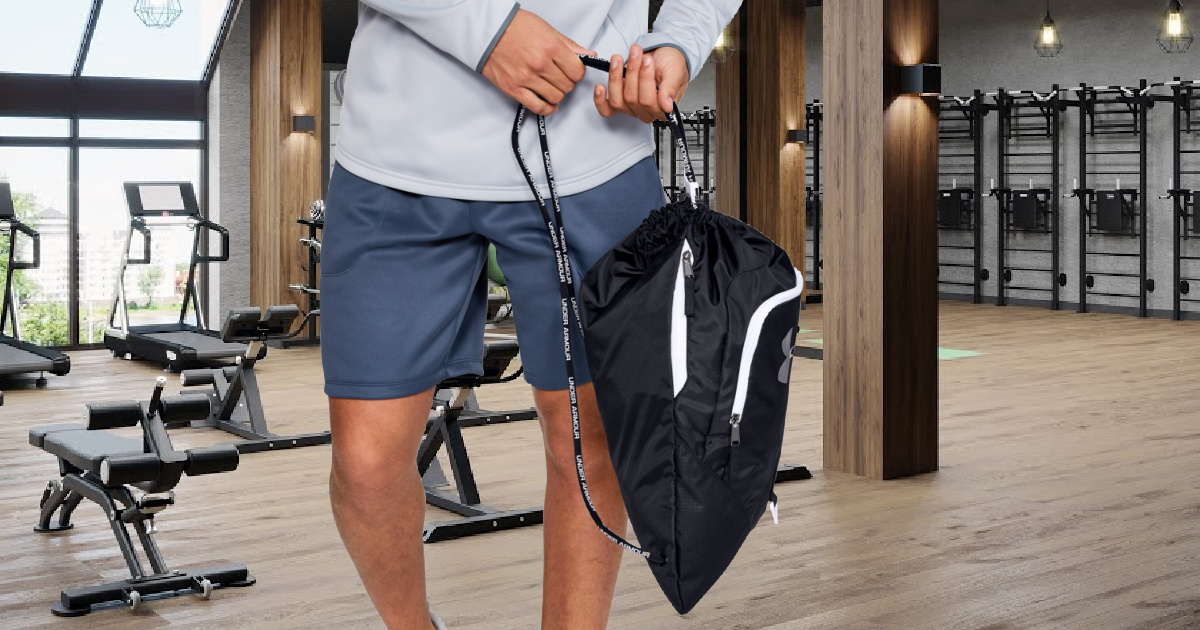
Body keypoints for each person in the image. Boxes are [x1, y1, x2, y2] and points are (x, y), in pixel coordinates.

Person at [322, 1, 739, 628]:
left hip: (593, 145)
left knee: (590, 439)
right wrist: (482, 27)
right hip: (396, 149)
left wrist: (678, 42)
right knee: (365, 465)